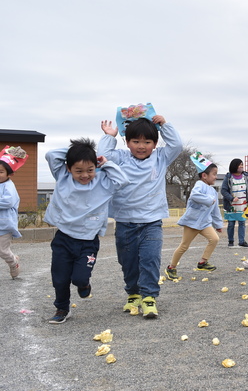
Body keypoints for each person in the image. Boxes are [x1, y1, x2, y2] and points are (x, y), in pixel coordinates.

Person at [98, 114, 183, 319]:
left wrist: (164, 125)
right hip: (125, 221)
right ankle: (133, 293)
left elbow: (177, 145)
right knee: (128, 261)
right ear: (127, 142)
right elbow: (102, 155)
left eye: (147, 141)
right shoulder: (121, 157)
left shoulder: (160, 157)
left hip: (152, 222)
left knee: (150, 259)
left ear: (155, 144)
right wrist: (110, 136)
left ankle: (149, 297)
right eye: (135, 141)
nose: (141, 146)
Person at [44, 139, 128, 324]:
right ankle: (62, 308)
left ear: (95, 167)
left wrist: (106, 163)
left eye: (90, 170)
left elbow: (123, 180)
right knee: (59, 277)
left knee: (79, 278)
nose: (85, 175)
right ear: (68, 168)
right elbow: (51, 155)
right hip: (63, 237)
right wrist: (78, 151)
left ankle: (84, 284)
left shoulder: (103, 182)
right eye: (79, 171)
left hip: (88, 241)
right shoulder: (62, 176)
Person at [165, 154, 223, 281]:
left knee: (214, 239)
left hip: (205, 223)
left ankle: (202, 262)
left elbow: (215, 210)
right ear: (204, 176)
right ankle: (171, 267)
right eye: (214, 174)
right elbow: (194, 196)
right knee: (184, 246)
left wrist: (218, 224)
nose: (216, 177)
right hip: (192, 222)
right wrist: (209, 200)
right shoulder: (199, 185)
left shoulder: (213, 191)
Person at [0, 146, 28, 280]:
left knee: (2, 250)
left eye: (0, 172)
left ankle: (13, 262)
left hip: (4, 225)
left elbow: (8, 202)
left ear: (10, 174)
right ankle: (12, 259)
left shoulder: (8, 186)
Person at [220, 158, 248, 248]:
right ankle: (231, 241)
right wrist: (231, 198)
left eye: (242, 164)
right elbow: (223, 190)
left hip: (243, 204)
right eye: (240, 165)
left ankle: (242, 241)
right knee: (231, 223)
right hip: (231, 205)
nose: (242, 166)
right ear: (234, 166)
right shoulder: (229, 177)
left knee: (242, 223)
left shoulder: (245, 176)